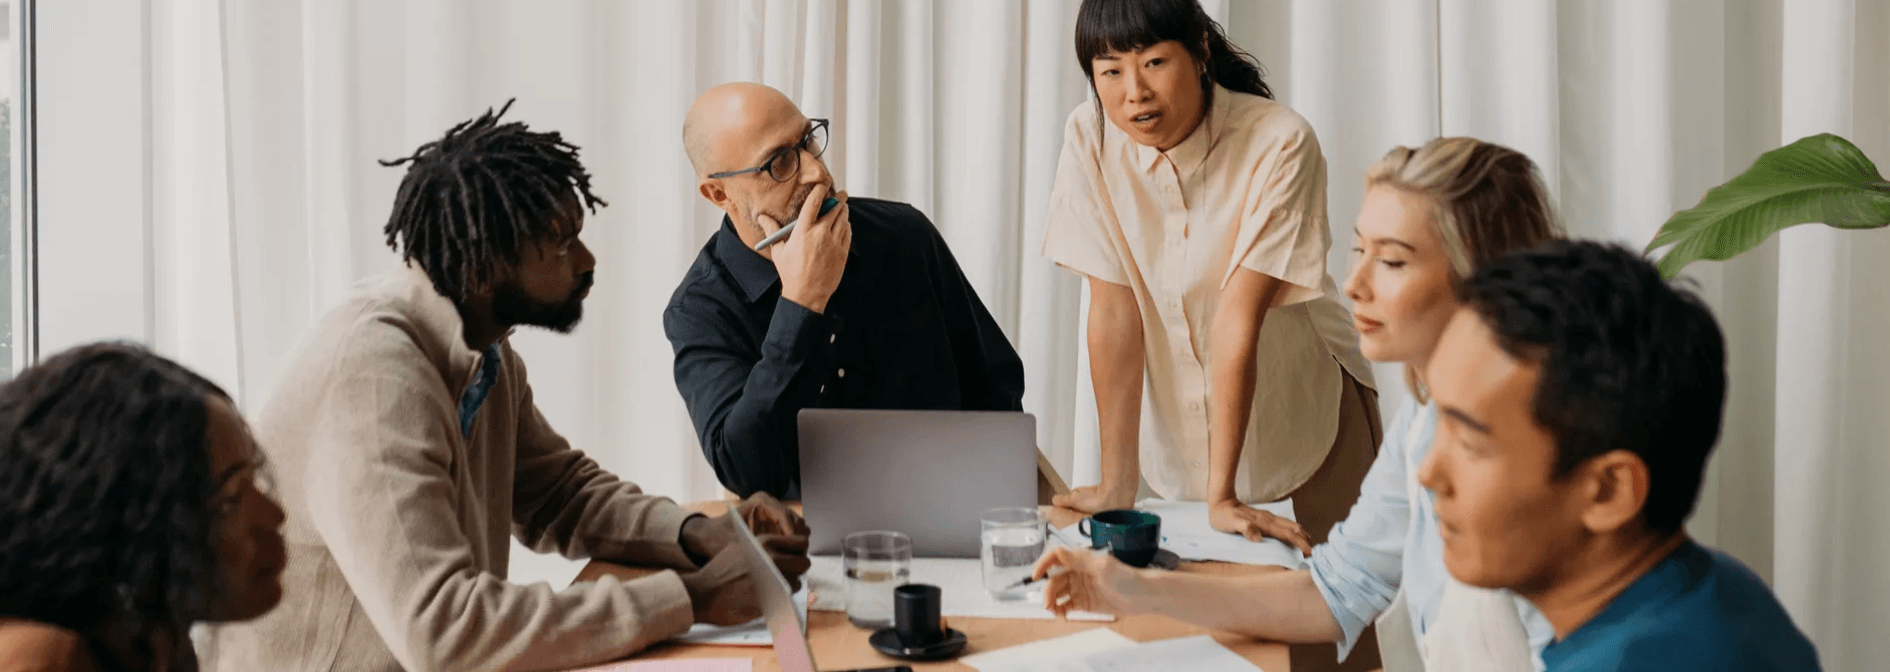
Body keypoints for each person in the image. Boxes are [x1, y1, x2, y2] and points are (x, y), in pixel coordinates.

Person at [198, 102, 812, 672]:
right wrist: (693, 597)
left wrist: (694, 534)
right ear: (483, 268)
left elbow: (558, 494)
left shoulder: (481, 348)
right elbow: (443, 630)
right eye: (560, 242)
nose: (587, 259)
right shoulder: (375, 376)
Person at [1032, 138, 1562, 671]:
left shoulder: (1551, 451)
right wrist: (1134, 589)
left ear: (1485, 276)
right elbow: (1338, 588)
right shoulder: (1424, 424)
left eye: (1393, 261)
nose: (1355, 285)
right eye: (1359, 252)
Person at [1042, 0, 1376, 550]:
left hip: (1305, 425)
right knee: (1205, 625)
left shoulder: (1280, 141)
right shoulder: (1088, 138)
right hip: (1178, 442)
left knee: (1331, 624)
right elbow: (1113, 309)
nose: (1134, 92)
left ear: (1199, 51)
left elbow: (1237, 317)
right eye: (1110, 70)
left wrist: (1221, 497)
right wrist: (1117, 484)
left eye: (1153, 62)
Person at [1417, 240, 1821, 672]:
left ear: (1608, 491)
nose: (1429, 473)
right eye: (1438, 419)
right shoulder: (1723, 591)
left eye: (1470, 443)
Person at [666, 82, 1026, 499]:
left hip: (946, 506)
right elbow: (745, 471)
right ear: (718, 193)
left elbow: (997, 385)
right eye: (779, 162)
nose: (817, 171)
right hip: (809, 540)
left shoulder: (904, 236)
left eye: (808, 140)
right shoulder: (701, 308)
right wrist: (802, 303)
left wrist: (991, 501)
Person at [0, 343, 286, 672]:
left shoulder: (154, 641)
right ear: (121, 525)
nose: (274, 514)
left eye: (256, 479)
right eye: (229, 501)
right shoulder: (42, 661)